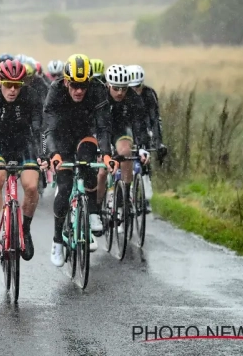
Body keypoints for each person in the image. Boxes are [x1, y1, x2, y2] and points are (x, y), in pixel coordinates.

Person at [43, 54, 112, 266]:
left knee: (89, 165)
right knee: (64, 187)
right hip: (62, 136)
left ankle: (92, 211)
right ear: (65, 81)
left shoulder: (99, 90)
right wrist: (53, 154)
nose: (79, 90)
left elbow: (103, 127)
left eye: (83, 85)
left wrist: (107, 153)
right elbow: (50, 128)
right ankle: (57, 241)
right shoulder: (55, 91)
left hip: (85, 133)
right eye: (74, 85)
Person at [0, 59, 45, 262]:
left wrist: (43, 154)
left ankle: (26, 230)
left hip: (24, 143)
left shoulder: (31, 97)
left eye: (17, 85)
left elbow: (39, 130)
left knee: (31, 186)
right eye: (8, 85)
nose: (13, 90)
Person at [97, 65, 150, 226]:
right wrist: (101, 150)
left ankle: (124, 197)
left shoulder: (133, 98)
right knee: (101, 172)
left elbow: (139, 124)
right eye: (116, 88)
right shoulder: (99, 95)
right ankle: (97, 209)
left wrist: (142, 146)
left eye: (124, 89)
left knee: (126, 152)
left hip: (120, 130)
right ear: (108, 85)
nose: (120, 93)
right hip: (101, 130)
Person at [127, 64, 166, 213]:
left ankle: (146, 195)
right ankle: (125, 193)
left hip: (143, 128)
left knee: (145, 157)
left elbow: (155, 120)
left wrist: (158, 142)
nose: (135, 91)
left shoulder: (149, 94)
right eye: (131, 88)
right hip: (126, 128)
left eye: (138, 87)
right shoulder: (124, 95)